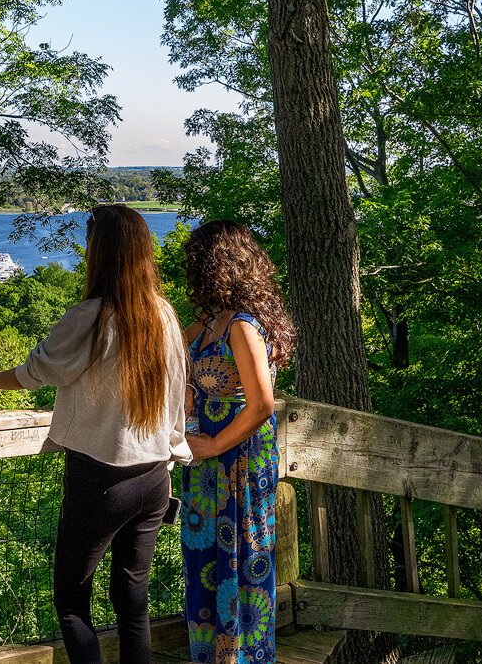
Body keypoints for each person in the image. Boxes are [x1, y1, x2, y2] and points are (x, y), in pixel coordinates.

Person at [0, 204, 190, 664]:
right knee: (132, 601)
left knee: (72, 599)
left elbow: (34, 373)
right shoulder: (164, 316)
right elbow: (176, 399)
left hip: (101, 478)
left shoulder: (92, 316)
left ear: (100, 251)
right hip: (156, 475)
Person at [179, 221, 295, 664]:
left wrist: (212, 446)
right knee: (206, 561)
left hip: (239, 461)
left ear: (215, 266)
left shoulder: (242, 326)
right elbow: (175, 362)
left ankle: (245, 658)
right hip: (207, 465)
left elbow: (263, 403)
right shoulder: (208, 324)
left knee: (241, 561)